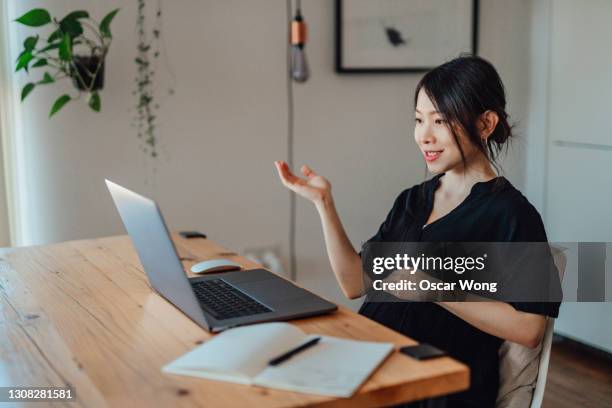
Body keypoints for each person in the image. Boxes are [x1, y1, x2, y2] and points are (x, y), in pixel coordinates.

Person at [274, 55, 560, 408]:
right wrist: (324, 204)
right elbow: (354, 283)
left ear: (485, 124)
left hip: (437, 388)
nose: (424, 136)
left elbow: (530, 329)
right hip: (371, 363)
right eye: (419, 120)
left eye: (441, 121)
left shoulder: (513, 215)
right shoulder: (413, 200)